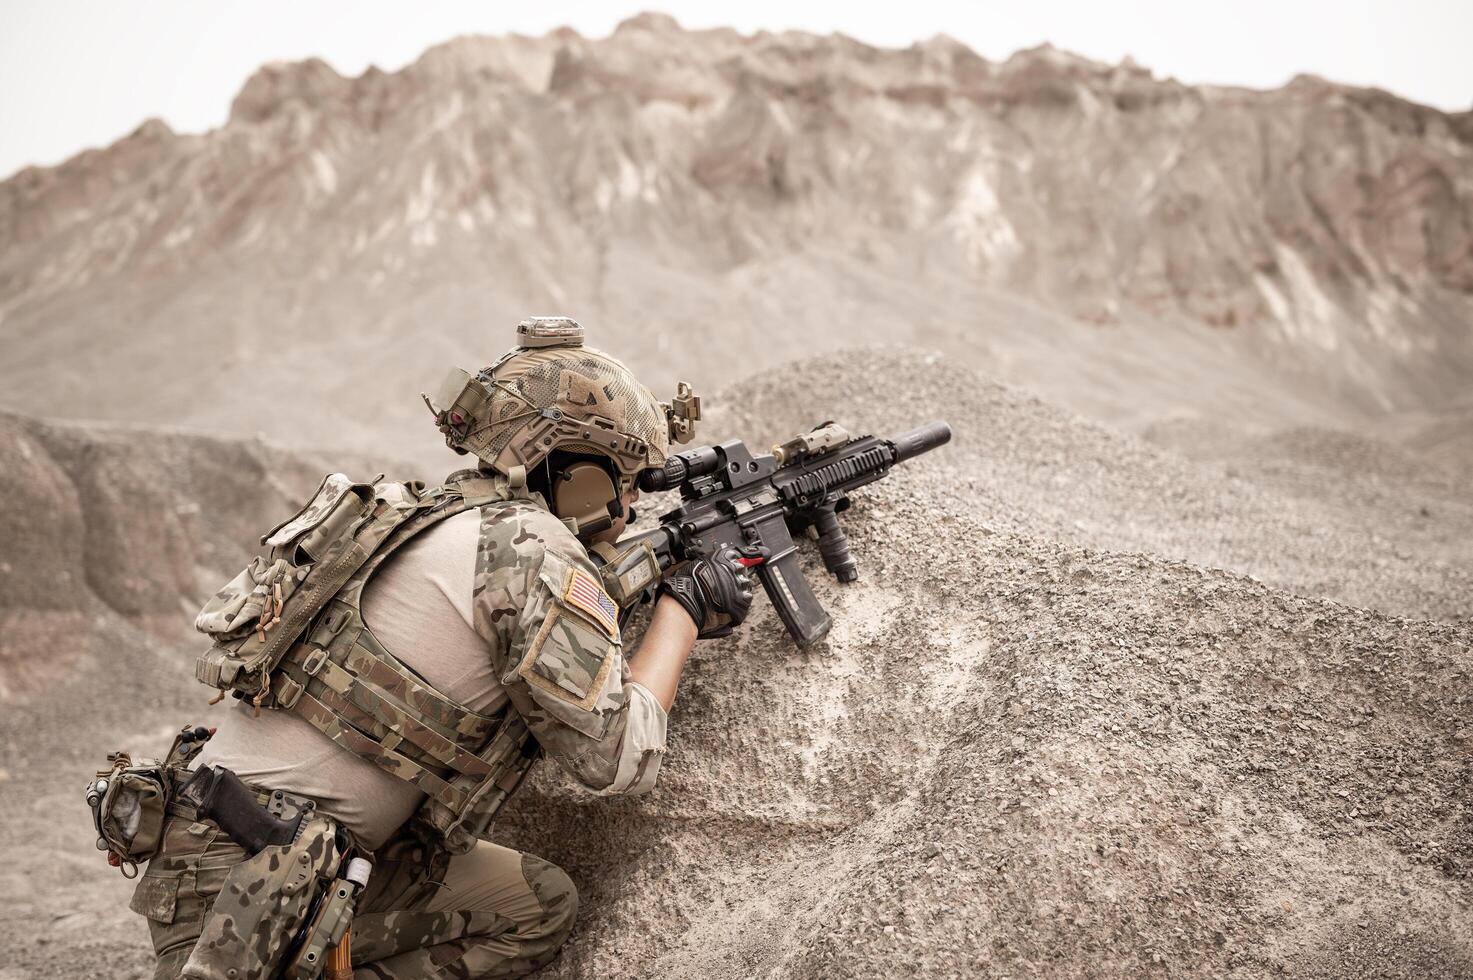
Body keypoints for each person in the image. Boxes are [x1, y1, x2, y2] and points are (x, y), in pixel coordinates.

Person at [128, 317, 758, 979]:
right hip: (250, 893)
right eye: (624, 480)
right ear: (574, 472)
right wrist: (683, 611)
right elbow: (618, 760)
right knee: (531, 914)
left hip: (228, 853)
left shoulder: (441, 516)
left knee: (535, 903)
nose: (630, 503)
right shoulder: (532, 550)